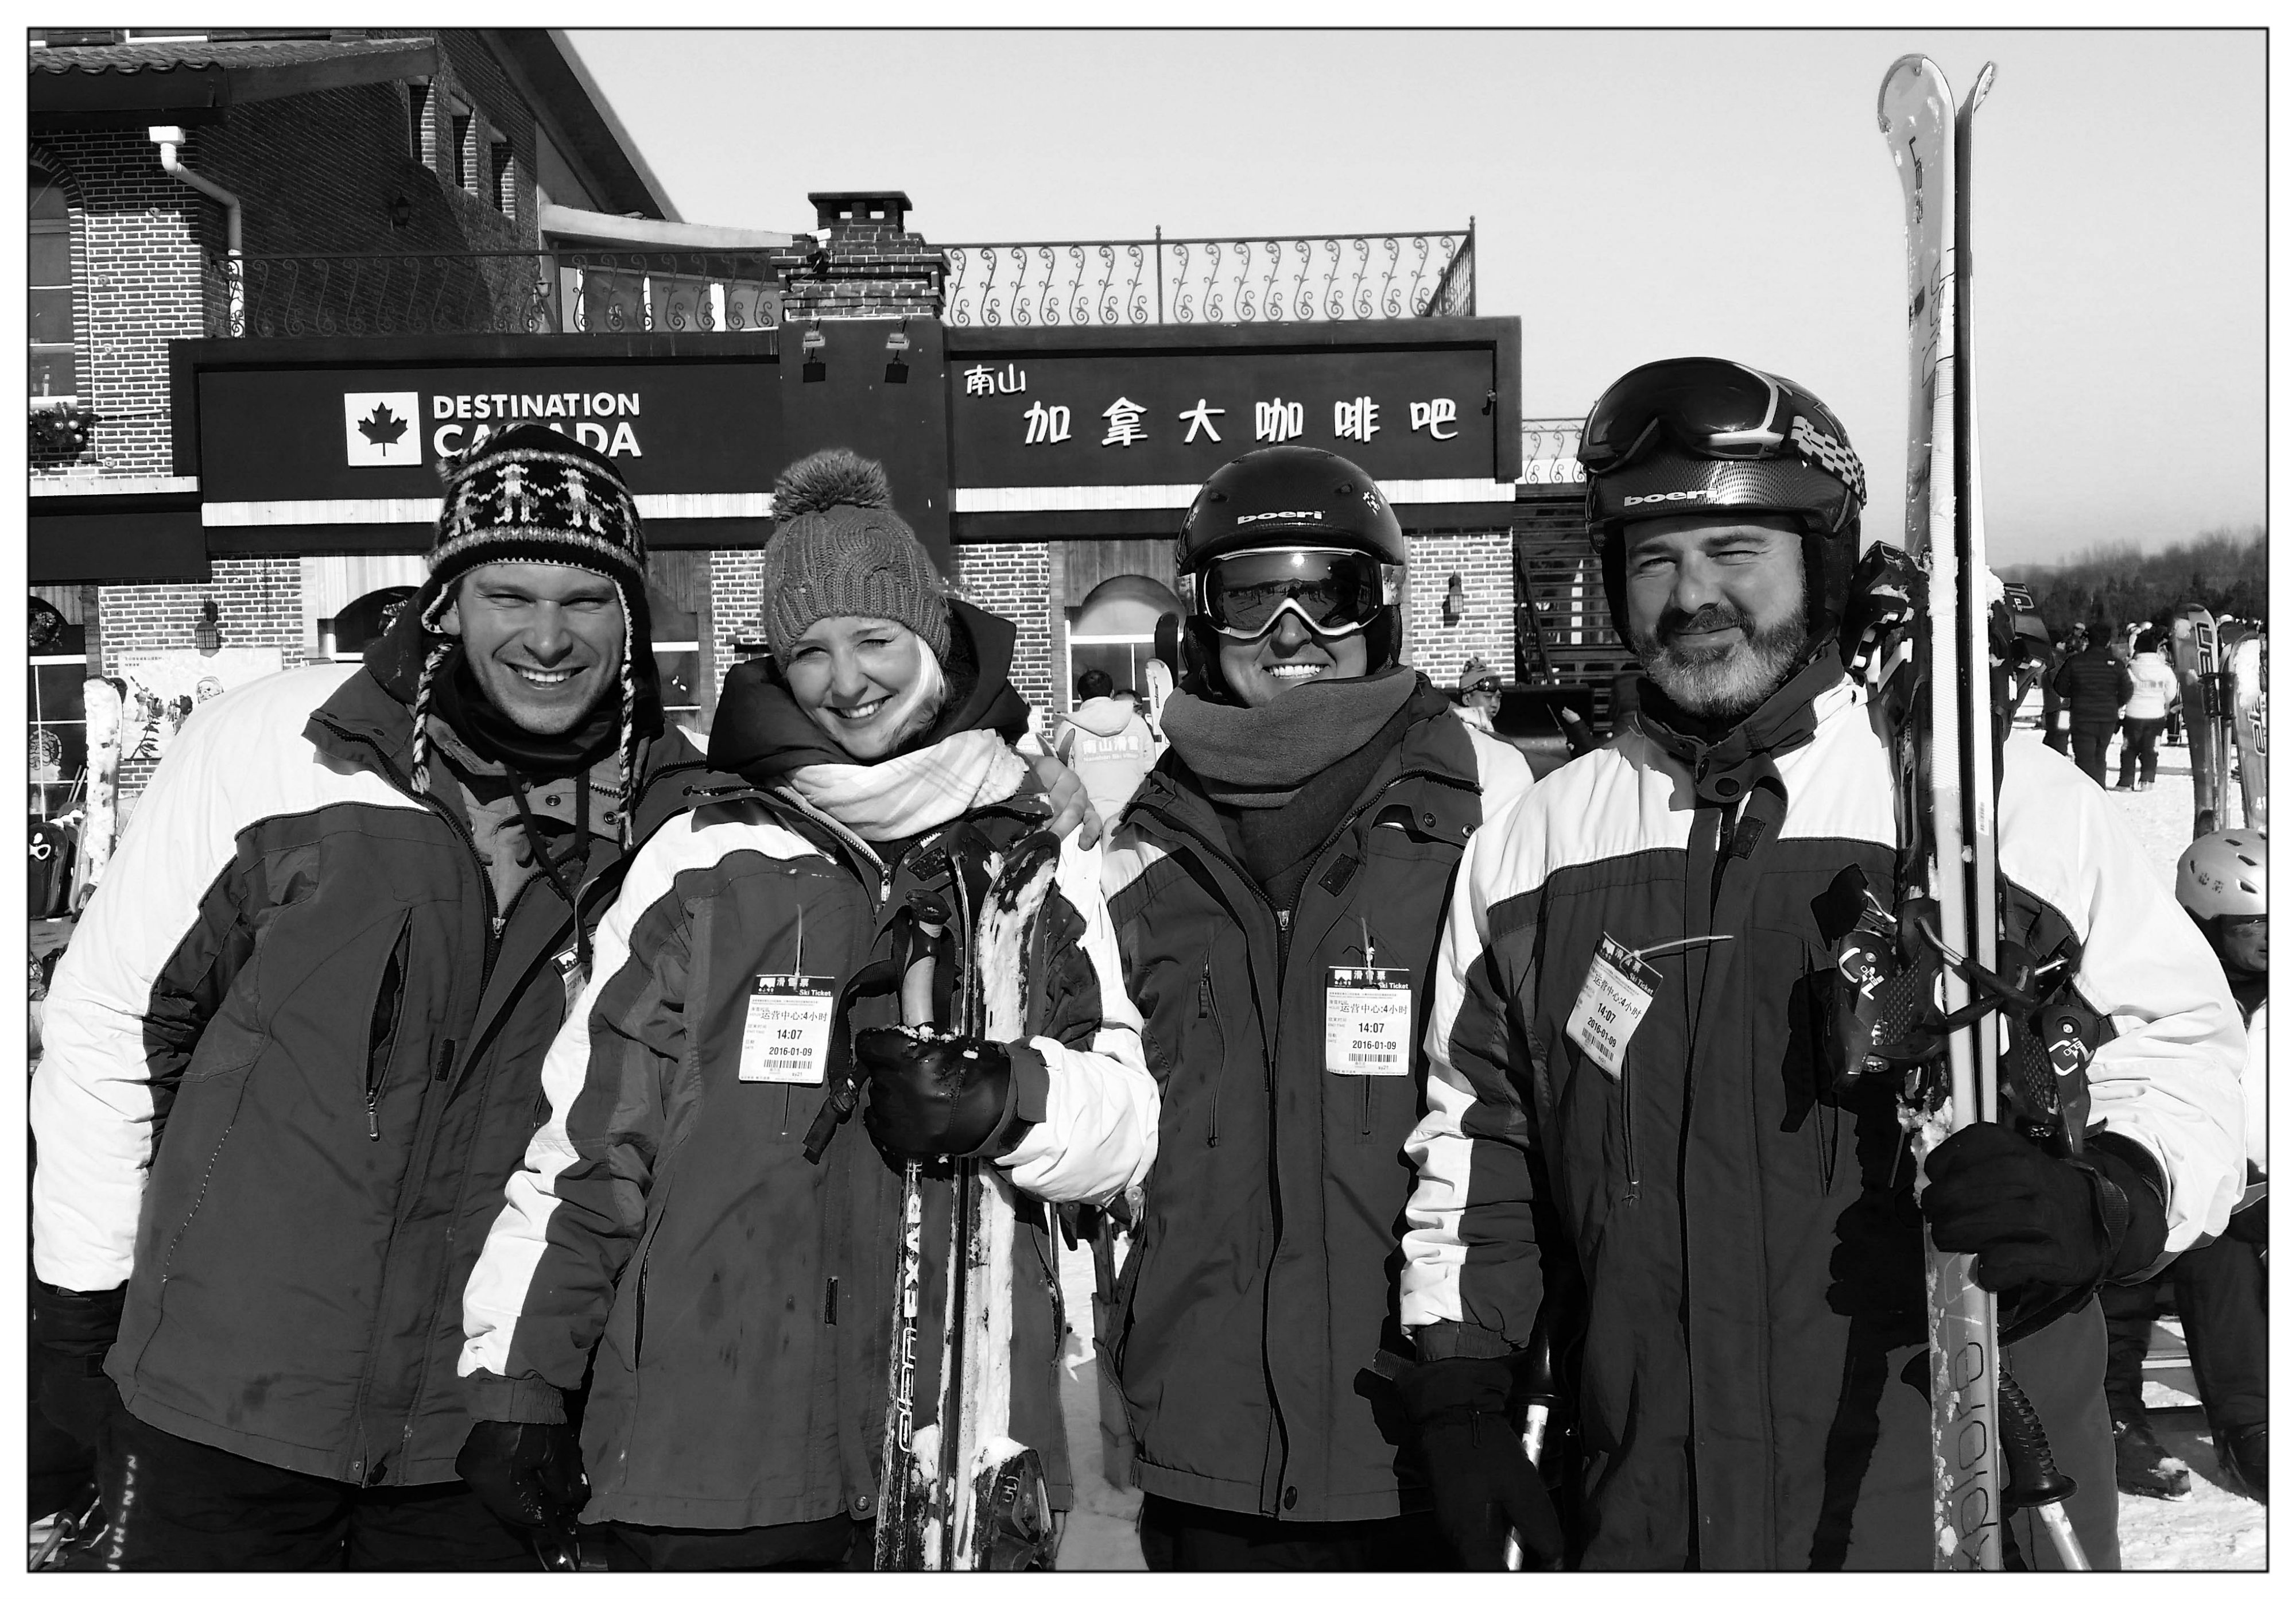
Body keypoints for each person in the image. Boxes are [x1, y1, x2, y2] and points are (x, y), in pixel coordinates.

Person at [1395, 357, 2247, 1570]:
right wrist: (1465, 1389)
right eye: (1652, 560)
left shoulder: (1991, 803)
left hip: (1951, 1507)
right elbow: (1480, 1138)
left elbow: (2181, 1054)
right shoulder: (1540, 839)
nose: (1692, 595)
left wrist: (2109, 1193)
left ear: (1820, 561)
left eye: (1734, 551)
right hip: (1650, 1517)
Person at [453, 448, 1157, 1571]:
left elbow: (1126, 1124)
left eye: (874, 637)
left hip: (957, 1456)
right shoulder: (703, 855)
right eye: (809, 650)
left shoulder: (1029, 851)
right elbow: (590, 1143)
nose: (845, 679)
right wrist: (519, 1376)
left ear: (930, 638)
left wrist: (1010, 1096)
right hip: (709, 1454)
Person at [29, 425, 704, 1569]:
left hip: (485, 1423)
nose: (548, 637)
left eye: (586, 600)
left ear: (631, 618)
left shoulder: (672, 820)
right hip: (221, 1389)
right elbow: (114, 1023)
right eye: (507, 593)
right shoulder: (274, 747)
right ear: (447, 603)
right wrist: (79, 1300)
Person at [1100, 445, 1534, 1570]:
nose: (1290, 629)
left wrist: (1491, 1373)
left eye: (1328, 591)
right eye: (1250, 597)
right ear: (1201, 618)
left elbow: (1515, 1108)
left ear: (1379, 605)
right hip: (1210, 1439)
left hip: (1422, 1425)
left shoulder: (1486, 800)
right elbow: (1115, 1116)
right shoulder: (1137, 842)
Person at [2169, 829, 2267, 1500]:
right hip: (2199, 1191)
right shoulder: (2168, 998)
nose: (2270, 938)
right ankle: (2250, 1429)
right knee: (2217, 1242)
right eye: (2250, 924)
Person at [1053, 667, 1161, 829]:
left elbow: (1061, 774)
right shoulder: (1138, 723)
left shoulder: (1069, 728)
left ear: (1080, 697)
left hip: (1086, 821)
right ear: (1111, 694)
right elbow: (1150, 768)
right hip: (1132, 819)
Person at [2054, 619, 2130, 785]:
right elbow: (2127, 691)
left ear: (2088, 640)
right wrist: (2114, 703)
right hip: (2107, 718)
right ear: (2108, 642)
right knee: (2100, 755)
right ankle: (2100, 791)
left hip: (2082, 716)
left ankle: (2088, 792)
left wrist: (2076, 694)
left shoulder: (2075, 662)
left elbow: (2060, 687)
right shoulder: (2117, 665)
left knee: (2084, 758)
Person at [2115, 627, 2179, 792]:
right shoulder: (2165, 670)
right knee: (2151, 749)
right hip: (2156, 715)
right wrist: (2161, 701)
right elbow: (2171, 694)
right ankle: (2147, 780)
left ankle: (2126, 781)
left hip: (2133, 715)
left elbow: (2122, 690)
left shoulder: (2130, 669)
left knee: (2129, 748)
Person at [1455, 657, 1503, 735]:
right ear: (1467, 699)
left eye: (1498, 698)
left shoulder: (1486, 729)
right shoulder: (1457, 732)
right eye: (1488, 697)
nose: (1495, 704)